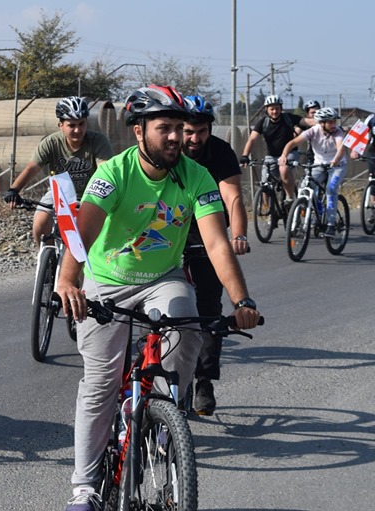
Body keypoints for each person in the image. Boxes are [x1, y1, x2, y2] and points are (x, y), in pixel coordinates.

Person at [55, 84, 260, 511]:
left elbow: (218, 244)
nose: (176, 137)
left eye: (179, 128)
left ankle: (163, 419)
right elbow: (83, 232)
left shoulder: (196, 175)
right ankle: (85, 488)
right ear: (138, 131)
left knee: (188, 328)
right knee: (100, 381)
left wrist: (241, 302)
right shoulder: (113, 173)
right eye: (164, 128)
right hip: (105, 279)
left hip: (162, 278)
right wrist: (68, 283)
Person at [181, 95, 249, 416]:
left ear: (210, 129)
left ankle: (204, 380)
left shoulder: (220, 151)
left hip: (207, 232)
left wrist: (237, 234)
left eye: (202, 131)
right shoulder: (169, 150)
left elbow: (232, 196)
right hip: (167, 233)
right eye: (189, 131)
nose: (195, 139)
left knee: (209, 309)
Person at [3, 96, 113, 246]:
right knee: (40, 223)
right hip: (59, 194)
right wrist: (14, 190)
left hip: (90, 195)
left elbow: (105, 169)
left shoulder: (98, 141)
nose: (77, 130)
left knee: (89, 238)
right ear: (61, 125)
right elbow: (32, 168)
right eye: (71, 125)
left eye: (82, 124)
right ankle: (45, 259)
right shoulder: (51, 142)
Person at [285, 107, 347, 238]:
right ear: (321, 123)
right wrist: (283, 156)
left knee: (331, 189)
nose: (333, 125)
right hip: (319, 164)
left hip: (337, 165)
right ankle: (301, 218)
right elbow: (293, 142)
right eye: (330, 122)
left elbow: (340, 148)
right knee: (305, 187)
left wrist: (335, 160)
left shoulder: (338, 132)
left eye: (334, 121)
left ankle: (331, 224)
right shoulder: (313, 131)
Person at [239, 95, 303, 205]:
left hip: (290, 154)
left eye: (277, 108)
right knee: (265, 184)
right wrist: (245, 156)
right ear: (266, 110)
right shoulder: (263, 123)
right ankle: (267, 208)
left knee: (284, 169)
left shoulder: (288, 118)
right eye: (272, 109)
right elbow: (252, 140)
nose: (275, 111)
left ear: (281, 108)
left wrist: (321, 121)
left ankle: (290, 197)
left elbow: (305, 121)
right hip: (271, 156)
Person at [299, 99, 321, 165]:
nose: (316, 114)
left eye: (317, 111)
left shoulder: (325, 123)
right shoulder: (305, 124)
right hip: (310, 156)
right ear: (307, 114)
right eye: (313, 112)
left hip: (325, 156)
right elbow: (295, 133)